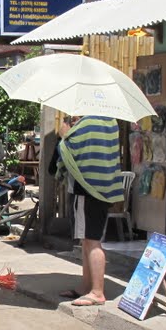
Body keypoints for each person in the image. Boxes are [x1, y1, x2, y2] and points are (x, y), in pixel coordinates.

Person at [54, 115, 124, 307]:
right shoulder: (110, 122)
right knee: (87, 240)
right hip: (102, 189)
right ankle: (86, 286)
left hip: (88, 189)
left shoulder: (89, 123)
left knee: (92, 241)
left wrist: (63, 135)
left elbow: (68, 147)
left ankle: (97, 292)